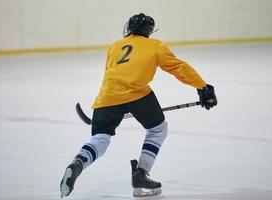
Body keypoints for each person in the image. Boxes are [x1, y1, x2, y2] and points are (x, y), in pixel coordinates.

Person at [60, 13, 217, 198]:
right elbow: (178, 68)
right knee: (158, 130)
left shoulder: (114, 46)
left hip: (106, 97)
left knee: (100, 138)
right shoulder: (155, 45)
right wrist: (203, 87)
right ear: (149, 31)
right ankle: (141, 174)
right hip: (138, 95)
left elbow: (112, 73)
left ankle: (78, 162)